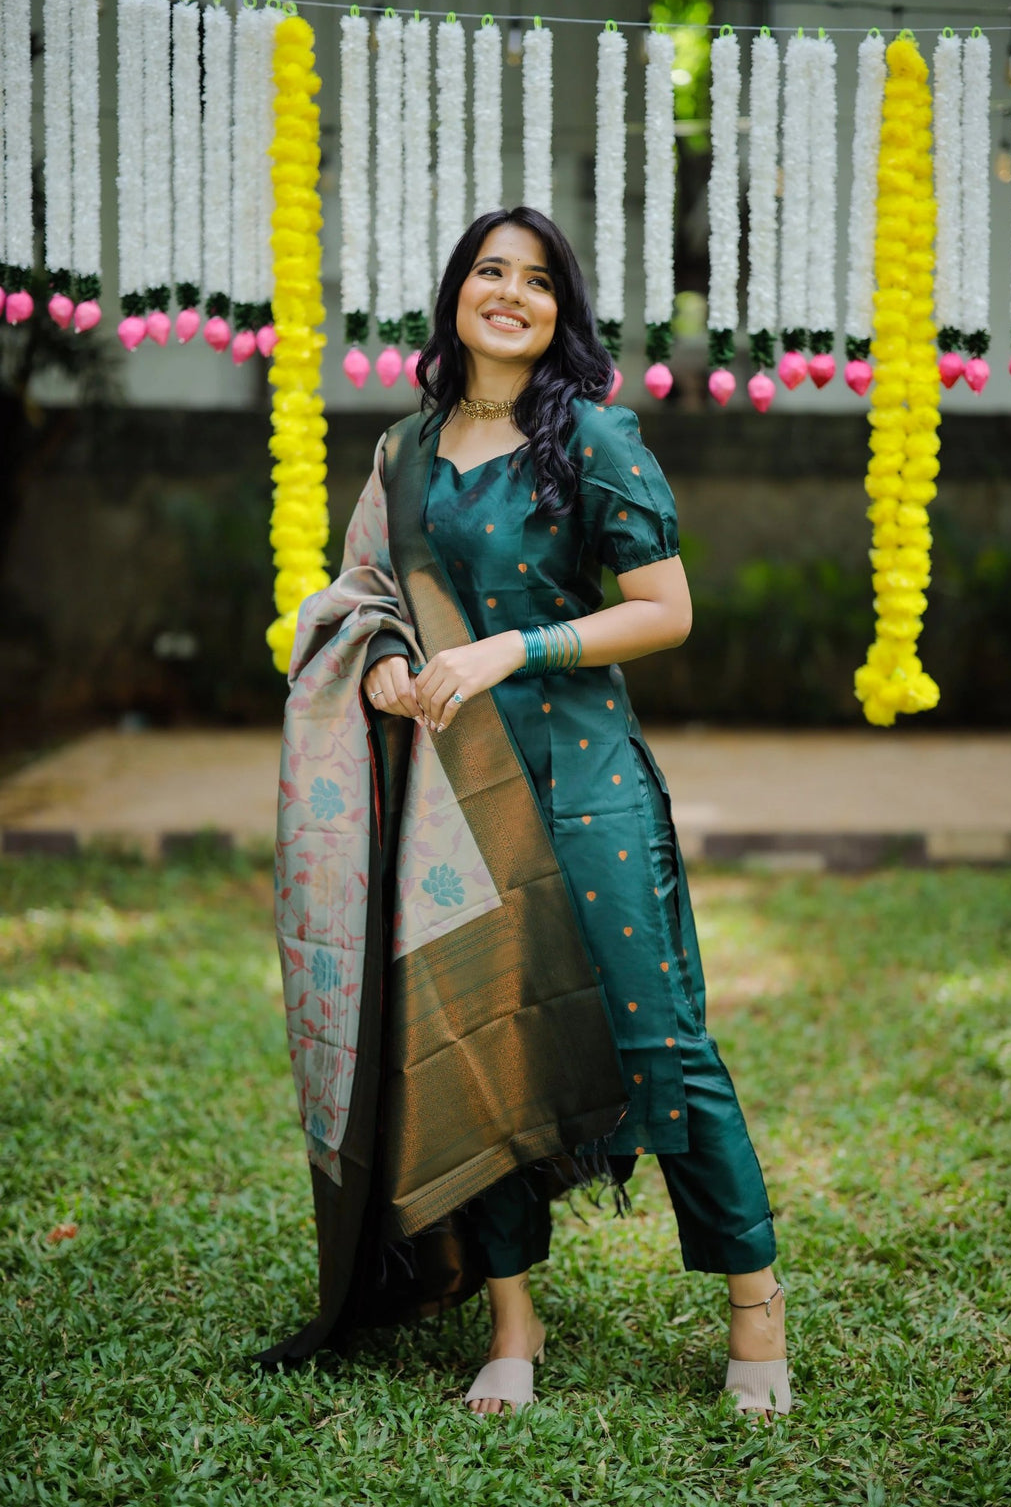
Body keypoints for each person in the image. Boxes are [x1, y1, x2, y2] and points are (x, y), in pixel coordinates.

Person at [257, 206, 789, 1424]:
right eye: (489, 271)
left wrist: (512, 647)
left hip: (584, 774)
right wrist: (385, 660)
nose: (510, 293)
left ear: (562, 312)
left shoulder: (592, 437)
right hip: (455, 793)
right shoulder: (402, 453)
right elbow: (366, 596)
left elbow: (666, 609)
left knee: (662, 1043)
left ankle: (753, 1302)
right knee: (484, 1042)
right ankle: (512, 1321)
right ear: (455, 293)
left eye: (537, 280)